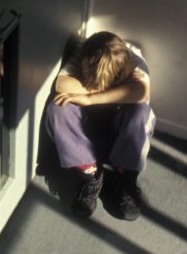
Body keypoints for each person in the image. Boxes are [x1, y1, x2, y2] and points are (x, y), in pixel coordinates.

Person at [45, 31, 156, 220]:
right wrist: (112, 89)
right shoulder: (83, 52)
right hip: (88, 130)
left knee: (140, 112)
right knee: (58, 108)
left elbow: (140, 92)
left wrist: (89, 97)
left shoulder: (134, 59)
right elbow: (63, 85)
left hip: (120, 130)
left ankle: (124, 178)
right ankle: (89, 175)